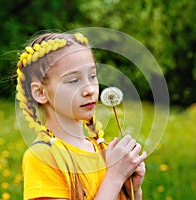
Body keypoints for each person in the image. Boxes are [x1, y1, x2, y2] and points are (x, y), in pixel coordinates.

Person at [15, 32, 147, 200]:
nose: (90, 90)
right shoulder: (43, 157)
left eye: (92, 76)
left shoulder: (103, 152)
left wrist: (133, 190)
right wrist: (115, 177)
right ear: (40, 92)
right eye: (73, 80)